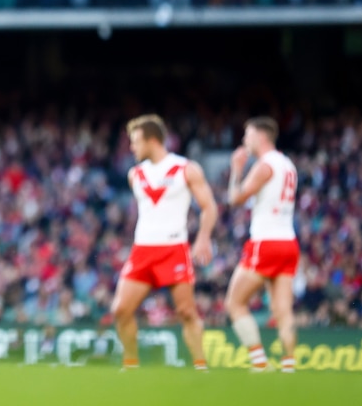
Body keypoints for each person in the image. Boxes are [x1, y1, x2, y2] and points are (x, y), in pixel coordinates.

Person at [111, 114, 218, 371]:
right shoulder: (134, 174)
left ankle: (201, 366)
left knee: (186, 312)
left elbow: (209, 207)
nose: (132, 147)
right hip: (142, 250)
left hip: (174, 249)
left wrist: (203, 238)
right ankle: (131, 365)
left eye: (136, 141)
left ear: (152, 140)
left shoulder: (185, 169)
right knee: (121, 310)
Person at [226, 116, 299, 373]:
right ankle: (289, 366)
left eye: (247, 134)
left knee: (234, 303)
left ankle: (259, 362)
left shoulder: (264, 165)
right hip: (289, 242)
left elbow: (235, 198)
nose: (245, 140)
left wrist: (236, 168)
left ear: (261, 136)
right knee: (283, 311)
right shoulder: (288, 164)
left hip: (265, 242)